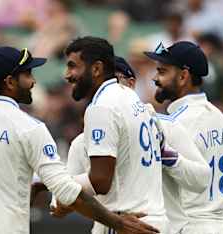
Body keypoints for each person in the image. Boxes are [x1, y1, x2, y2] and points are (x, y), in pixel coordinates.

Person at [0, 46, 160, 234]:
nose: (34, 81)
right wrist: (118, 223)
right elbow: (67, 192)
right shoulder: (28, 127)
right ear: (10, 82)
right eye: (27, 74)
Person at [55, 54, 210, 234]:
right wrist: (66, 191)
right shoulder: (81, 141)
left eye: (115, 80)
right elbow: (60, 205)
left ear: (131, 84)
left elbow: (202, 180)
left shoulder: (166, 127)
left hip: (158, 226)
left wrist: (169, 157)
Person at [52, 36, 168, 234]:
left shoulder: (102, 107)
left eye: (73, 66)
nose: (67, 75)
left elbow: (100, 181)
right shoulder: (130, 96)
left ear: (96, 69)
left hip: (129, 223)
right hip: (155, 219)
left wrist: (58, 186)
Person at [144, 41, 223, 234]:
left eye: (162, 71)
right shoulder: (222, 120)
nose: (155, 78)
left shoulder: (172, 124)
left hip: (188, 225)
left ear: (184, 76)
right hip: (218, 227)